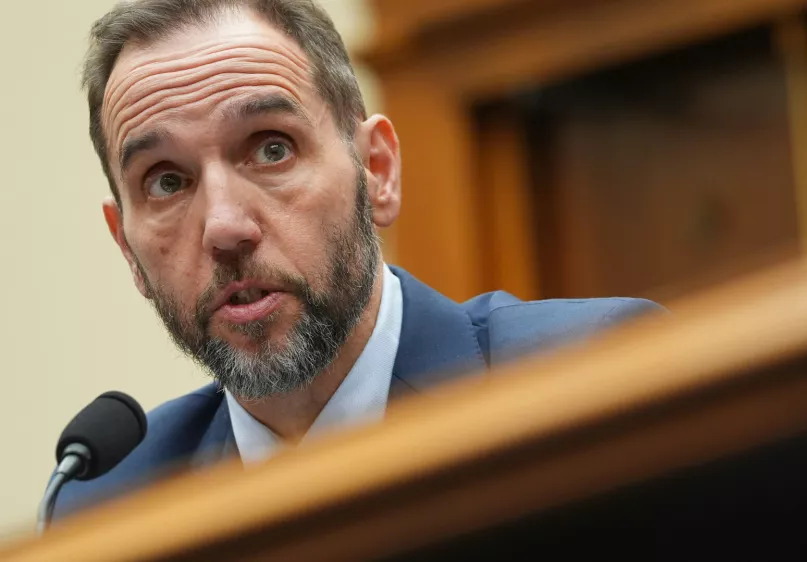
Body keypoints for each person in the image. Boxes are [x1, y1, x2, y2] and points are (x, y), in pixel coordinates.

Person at [51, 0, 661, 521]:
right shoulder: (110, 500)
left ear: (377, 170)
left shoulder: (593, 378)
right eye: (165, 182)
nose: (224, 228)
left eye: (271, 148)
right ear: (127, 247)